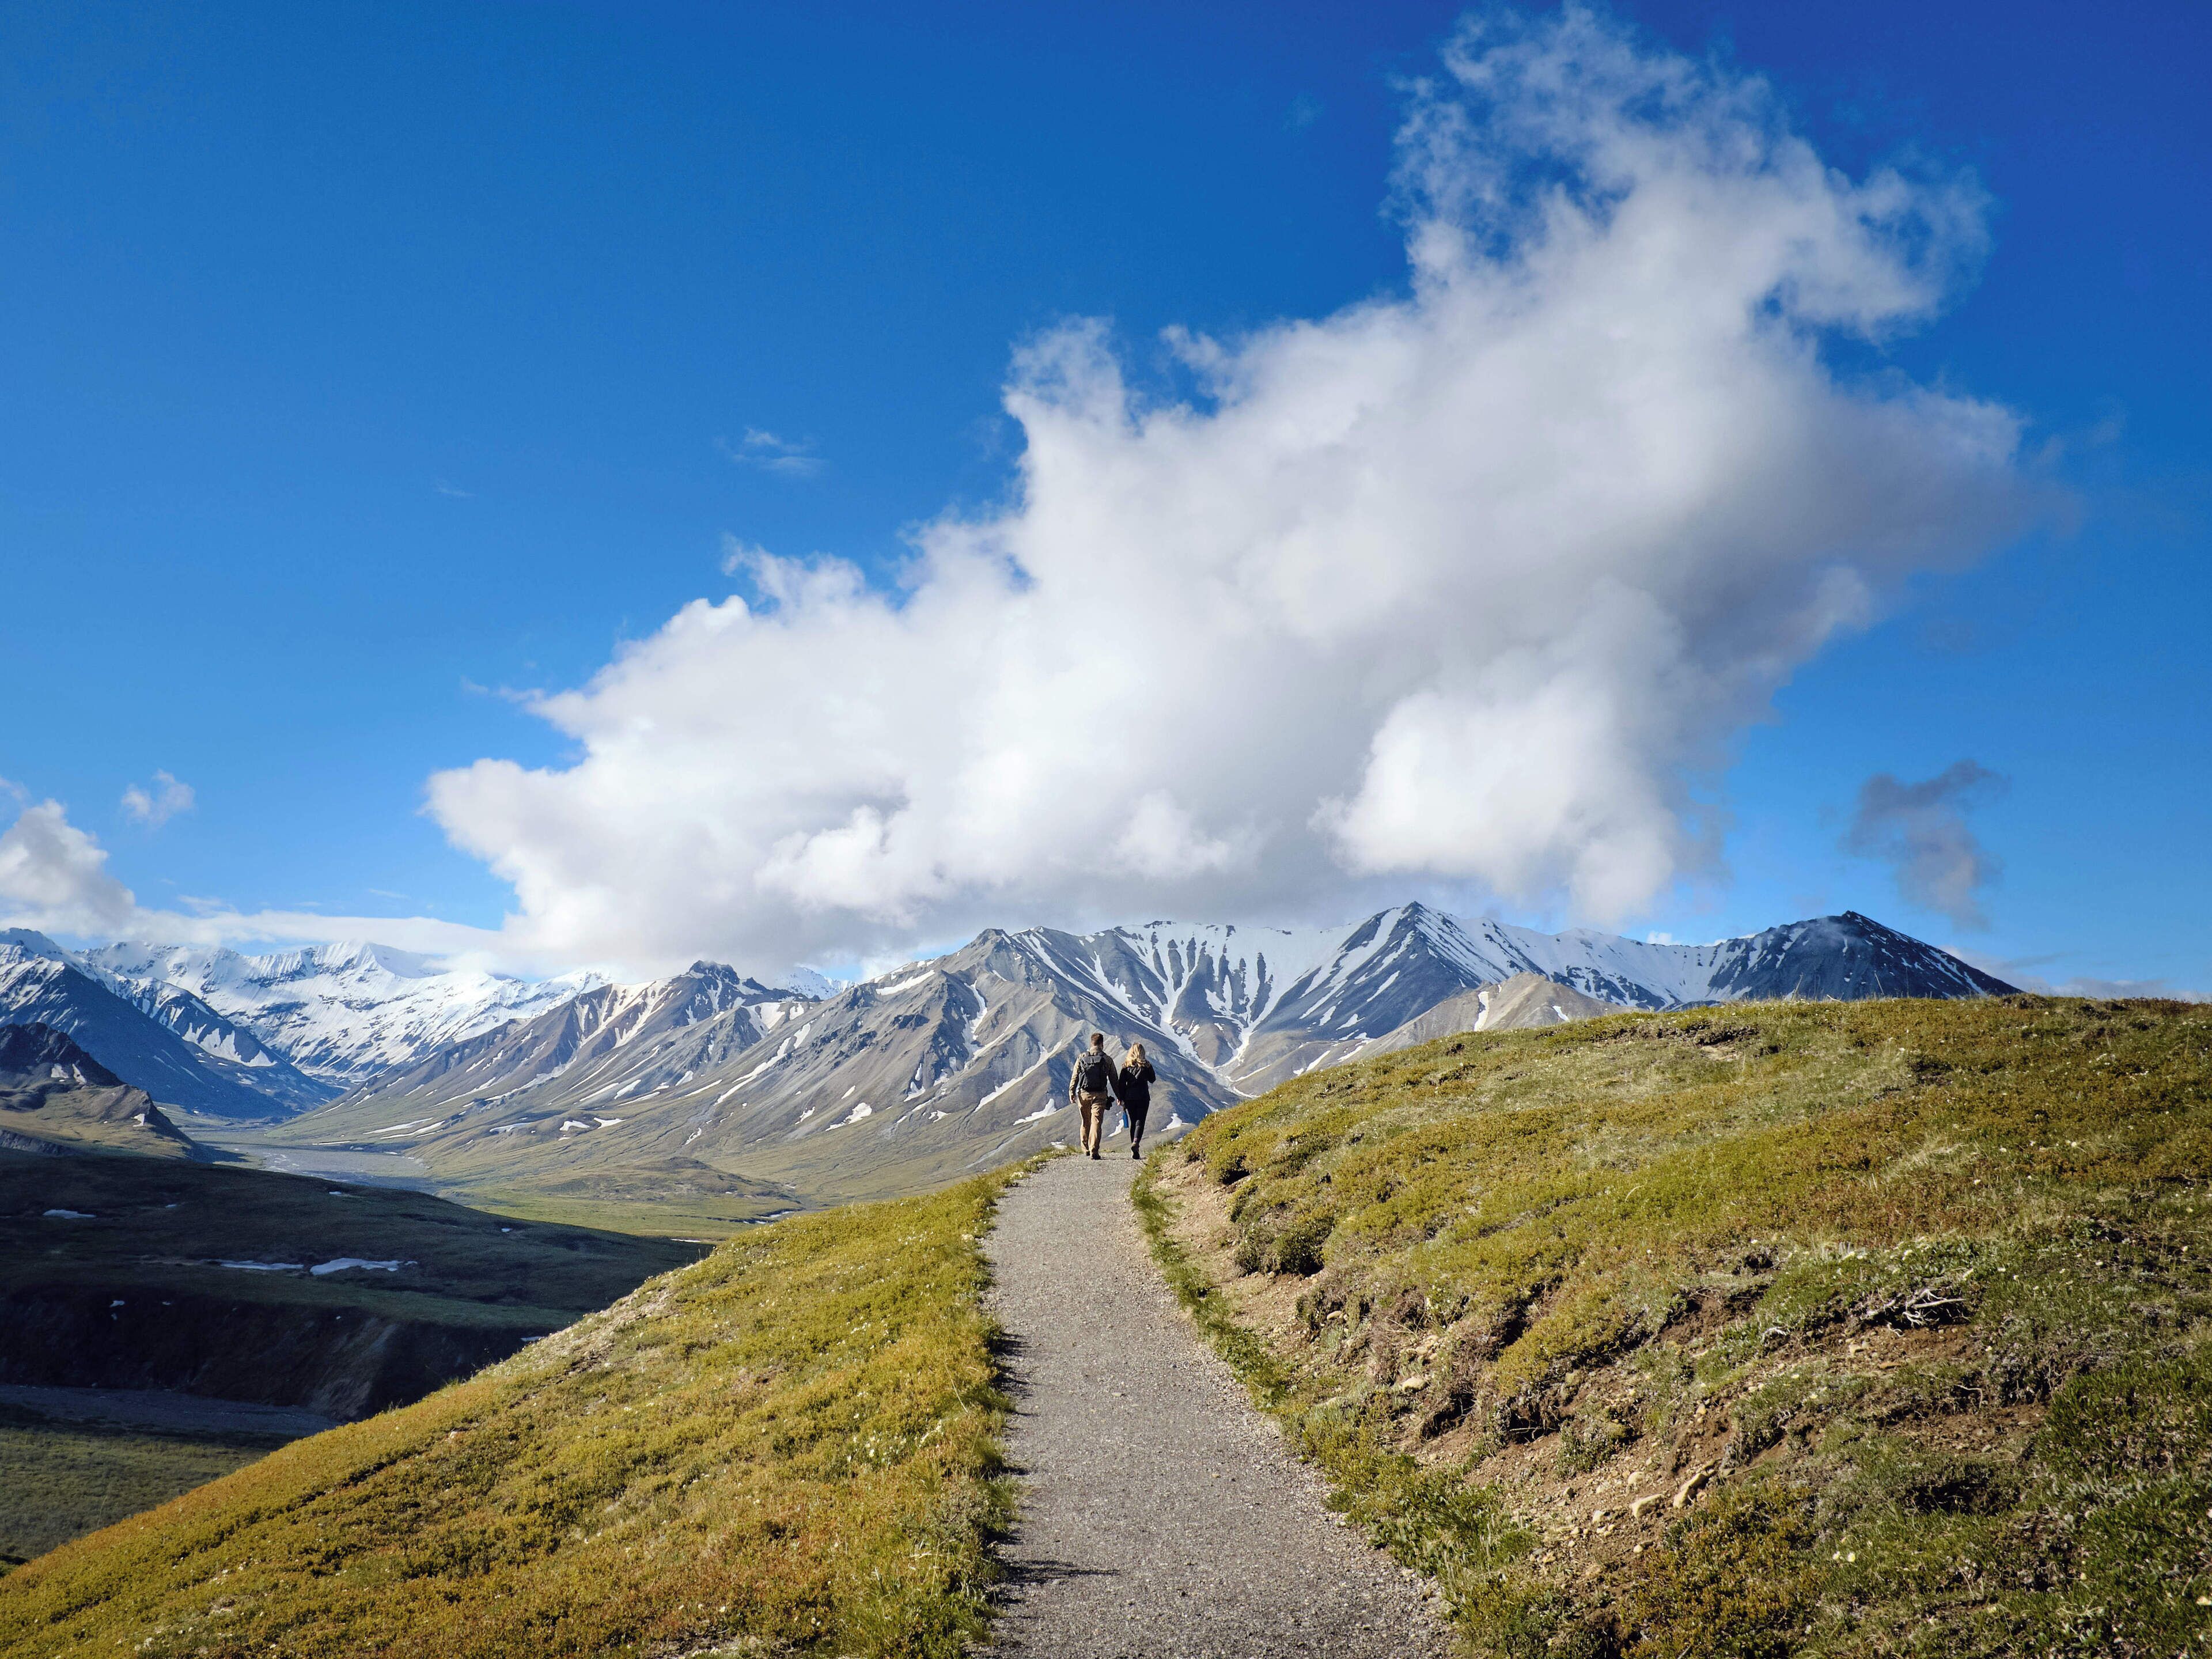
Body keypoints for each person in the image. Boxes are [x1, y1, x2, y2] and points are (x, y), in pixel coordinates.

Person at [1068, 1032, 1118, 1159]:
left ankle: (1085, 1149)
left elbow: (1075, 1076)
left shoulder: (1082, 1057)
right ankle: (1094, 1150)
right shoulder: (1107, 1059)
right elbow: (1114, 1080)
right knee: (1096, 1122)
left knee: (1085, 1121)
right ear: (1102, 1044)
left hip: (1083, 1095)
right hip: (1100, 1095)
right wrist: (1120, 1096)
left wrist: (1071, 1092)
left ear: (1091, 1043)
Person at [1117, 1041, 1157, 1160]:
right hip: (1143, 1097)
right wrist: (1149, 1067)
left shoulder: (1126, 1067)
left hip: (1130, 1097)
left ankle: (1135, 1148)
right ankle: (1136, 1143)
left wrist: (1121, 1098)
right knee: (1140, 1122)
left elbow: (1121, 1084)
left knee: (1134, 1122)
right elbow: (1153, 1079)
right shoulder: (1146, 1066)